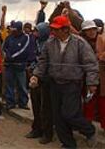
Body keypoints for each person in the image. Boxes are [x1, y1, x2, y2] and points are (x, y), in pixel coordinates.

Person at [31, 16, 99, 148]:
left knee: (70, 114)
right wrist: (36, 75)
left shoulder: (79, 43)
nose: (53, 32)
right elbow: (43, 61)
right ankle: (68, 144)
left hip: (72, 84)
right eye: (52, 29)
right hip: (55, 83)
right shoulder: (50, 43)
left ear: (66, 30)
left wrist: (92, 83)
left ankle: (89, 130)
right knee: (57, 116)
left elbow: (91, 65)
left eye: (56, 29)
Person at [80, 20, 105, 138]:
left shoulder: (104, 40)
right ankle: (87, 127)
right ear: (84, 32)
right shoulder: (81, 42)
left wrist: (104, 55)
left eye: (93, 29)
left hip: (104, 78)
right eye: (88, 30)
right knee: (88, 103)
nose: (91, 32)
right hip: (87, 78)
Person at [25, 22, 53, 144]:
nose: (34, 33)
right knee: (36, 106)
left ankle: (47, 133)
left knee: (45, 108)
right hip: (35, 77)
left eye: (37, 30)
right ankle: (36, 129)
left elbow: (46, 63)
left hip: (46, 79)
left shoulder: (50, 45)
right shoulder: (35, 43)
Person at [3, 21, 31, 110]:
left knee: (22, 85)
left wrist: (12, 57)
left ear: (19, 30)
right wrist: (7, 56)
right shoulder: (9, 38)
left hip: (20, 65)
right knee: (9, 85)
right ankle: (10, 102)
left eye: (14, 30)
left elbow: (24, 50)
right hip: (9, 65)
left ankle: (23, 103)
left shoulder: (26, 38)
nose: (12, 32)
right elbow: (4, 48)